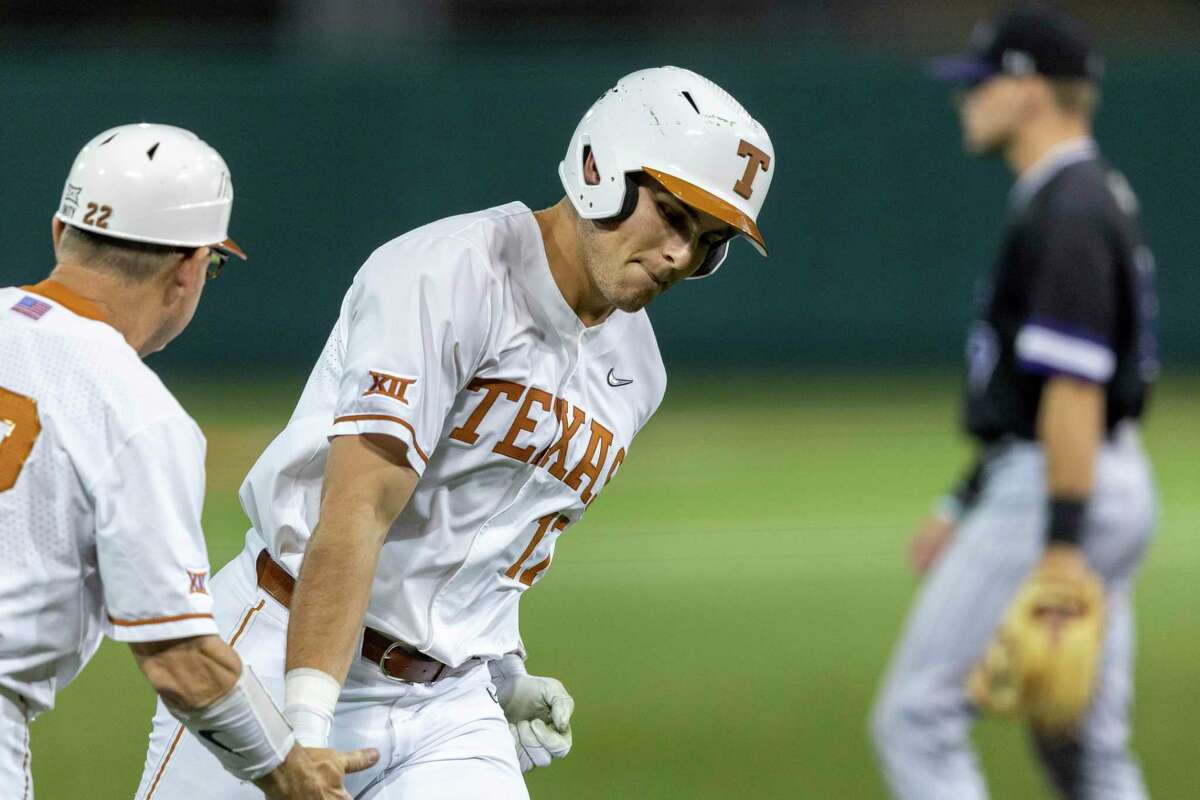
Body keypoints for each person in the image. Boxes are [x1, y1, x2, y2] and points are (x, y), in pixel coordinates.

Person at [135, 65, 775, 799]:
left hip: (450, 706)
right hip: (283, 655)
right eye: (673, 214)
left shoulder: (638, 368)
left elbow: (493, 536)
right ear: (601, 167)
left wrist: (504, 671)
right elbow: (355, 515)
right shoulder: (447, 275)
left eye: (709, 240)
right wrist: (305, 728)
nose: (680, 255)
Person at [0, 123, 376, 799]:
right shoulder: (137, 411)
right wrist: (291, 771)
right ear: (189, 268)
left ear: (60, 233)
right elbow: (179, 661)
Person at [870, 8, 1158, 799]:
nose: (967, 100)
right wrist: (964, 496)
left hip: (1062, 486)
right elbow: (1044, 394)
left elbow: (1072, 389)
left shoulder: (1066, 210)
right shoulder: (1087, 193)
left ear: (1029, 91)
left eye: (981, 83)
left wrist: (1061, 542)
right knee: (1080, 744)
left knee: (915, 720)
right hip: (1090, 474)